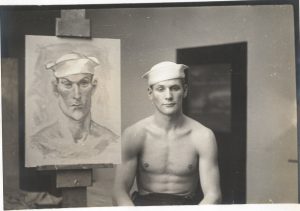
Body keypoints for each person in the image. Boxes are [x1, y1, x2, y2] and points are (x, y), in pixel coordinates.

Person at [113, 61, 221, 206]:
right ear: (150, 94)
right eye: (161, 89)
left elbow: (213, 195)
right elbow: (119, 192)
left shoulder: (203, 136)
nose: (168, 96)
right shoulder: (134, 134)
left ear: (185, 91)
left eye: (175, 88)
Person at [27, 52, 119, 166]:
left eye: (84, 83)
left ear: (93, 87)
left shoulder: (111, 140)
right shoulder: (38, 144)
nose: (77, 95)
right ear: (55, 88)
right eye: (67, 84)